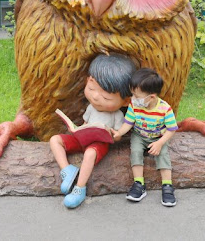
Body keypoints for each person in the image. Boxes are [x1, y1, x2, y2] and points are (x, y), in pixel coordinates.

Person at [49, 54, 136, 209]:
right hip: (81, 139)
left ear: (126, 101)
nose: (96, 97)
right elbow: (85, 123)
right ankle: (67, 170)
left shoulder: (117, 115)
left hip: (98, 144)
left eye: (106, 98)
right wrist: (75, 130)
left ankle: (79, 188)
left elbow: (118, 136)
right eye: (91, 88)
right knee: (55, 140)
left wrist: (112, 133)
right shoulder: (90, 108)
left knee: (89, 153)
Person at [112, 68, 178, 207]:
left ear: (151, 97)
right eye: (132, 95)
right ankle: (138, 184)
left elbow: (171, 130)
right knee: (135, 152)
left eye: (136, 96)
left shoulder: (165, 109)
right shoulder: (134, 106)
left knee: (163, 155)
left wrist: (160, 143)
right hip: (139, 135)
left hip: (158, 136)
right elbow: (128, 123)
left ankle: (167, 186)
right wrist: (119, 133)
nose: (133, 99)